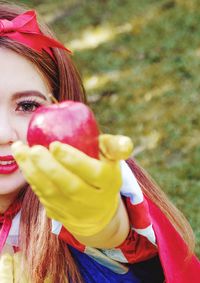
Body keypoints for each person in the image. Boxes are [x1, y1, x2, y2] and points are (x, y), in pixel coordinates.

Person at [0, 2, 199, 283]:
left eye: (28, 105)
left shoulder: (87, 180)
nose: (3, 132)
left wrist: (100, 221)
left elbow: (111, 231)